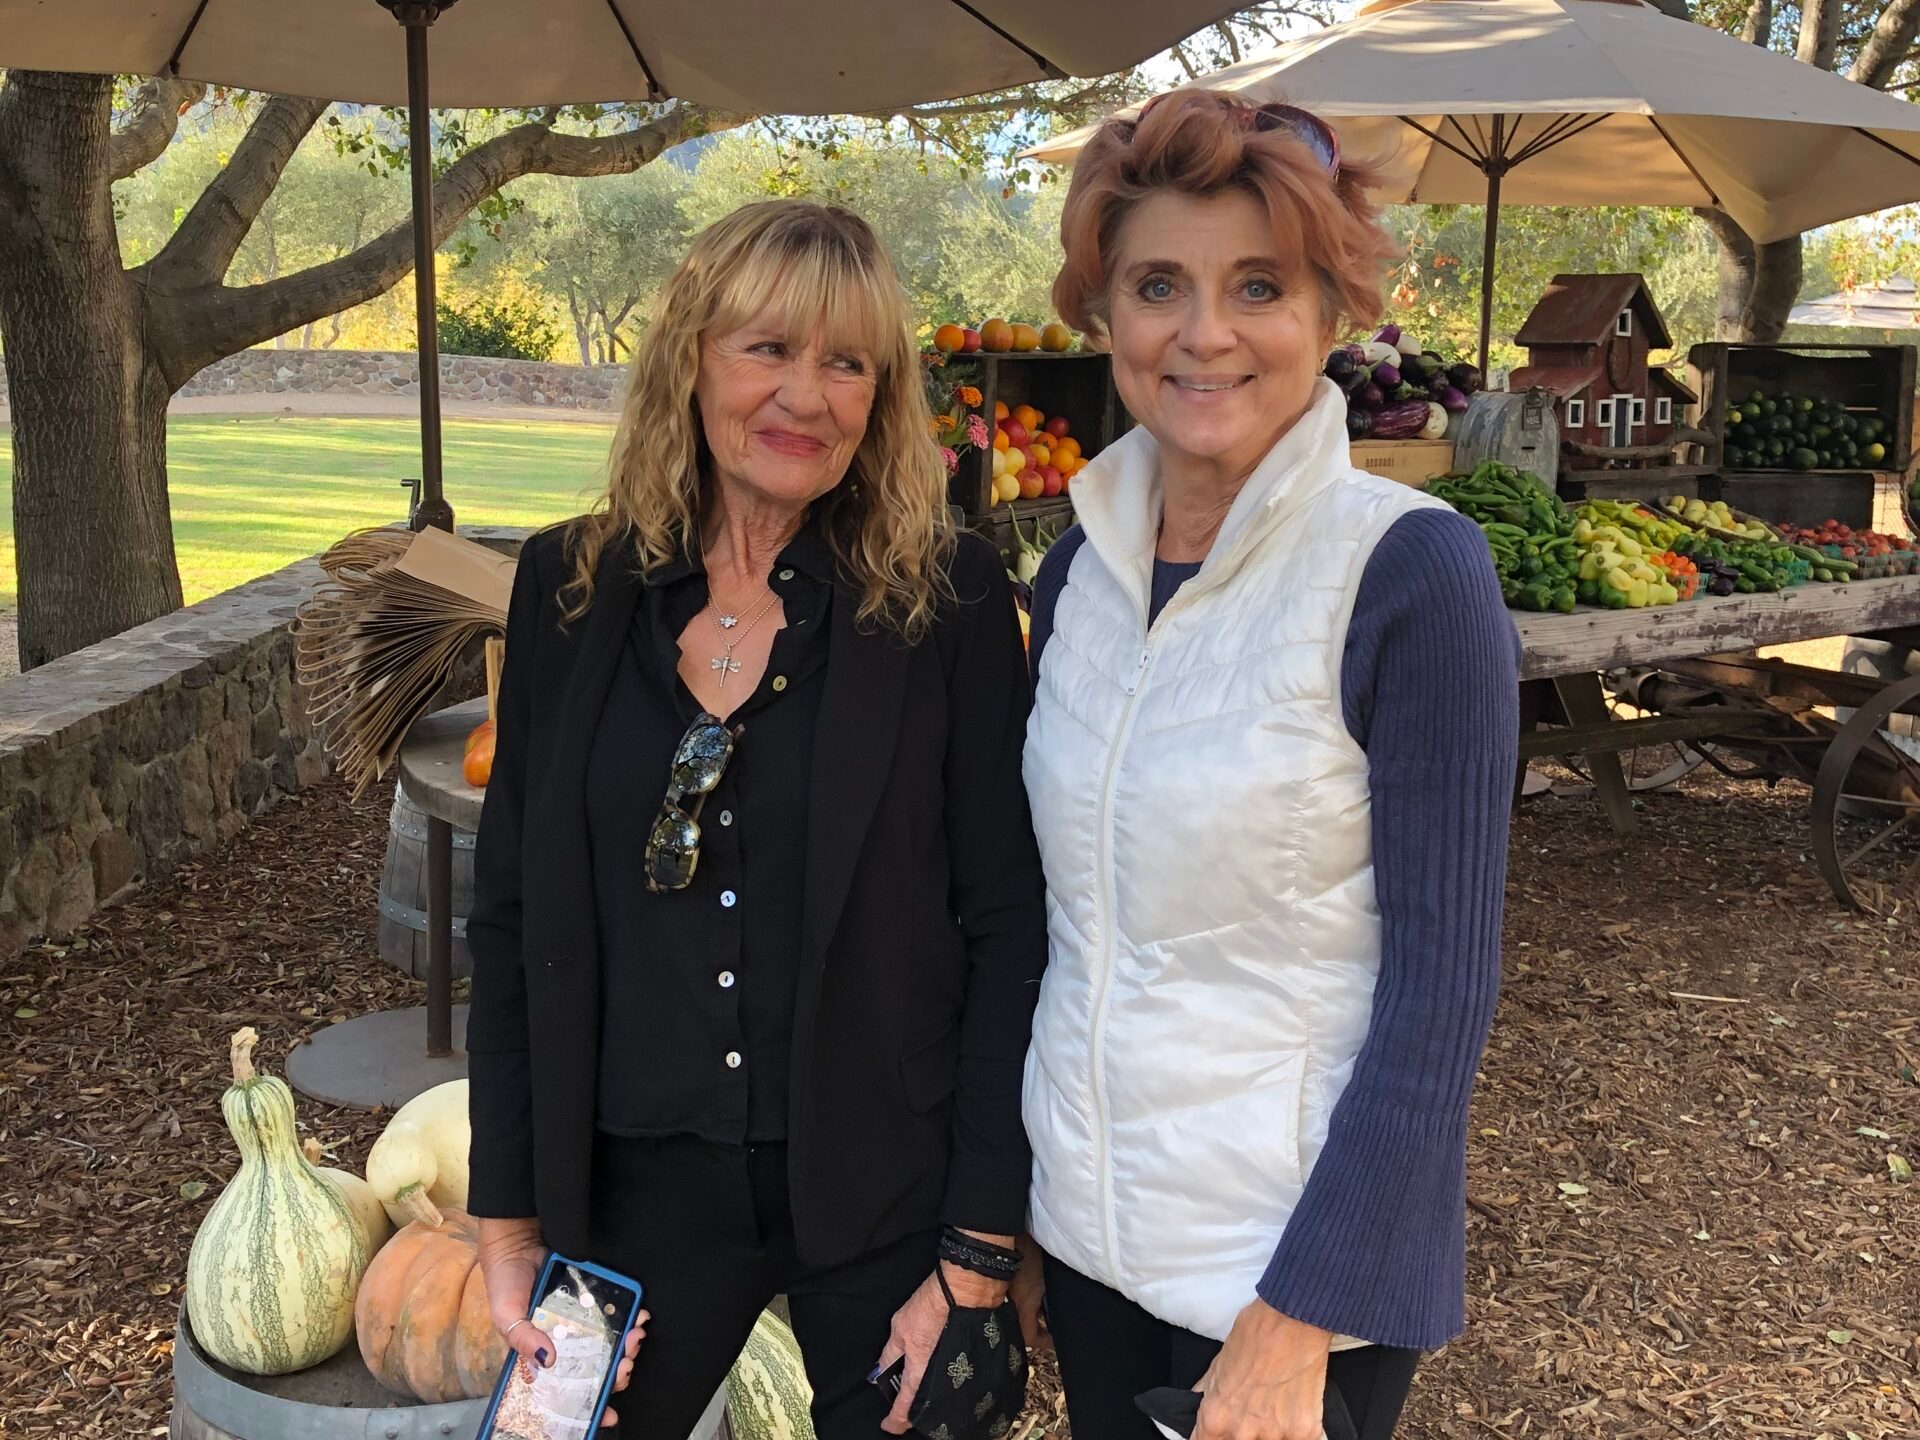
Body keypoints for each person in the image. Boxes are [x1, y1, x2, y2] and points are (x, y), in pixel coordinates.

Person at [464, 199, 1047, 1439]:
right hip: (627, 1192)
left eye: (848, 364)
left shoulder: (946, 601)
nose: (807, 395)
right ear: (691, 359)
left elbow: (1008, 920)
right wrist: (508, 1217)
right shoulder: (566, 592)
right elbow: (511, 915)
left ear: (882, 399)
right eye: (768, 349)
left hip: (884, 1187)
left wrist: (980, 1251)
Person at [1018, 91, 1518, 1440]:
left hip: (1284, 1275)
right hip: (1087, 1234)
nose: (1205, 333)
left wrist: (1295, 1318)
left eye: (1258, 285)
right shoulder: (1078, 568)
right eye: (1157, 284)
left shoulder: (1408, 574)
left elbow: (1439, 999)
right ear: (1104, 313)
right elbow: (1065, 926)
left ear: (1329, 311)